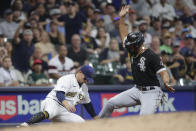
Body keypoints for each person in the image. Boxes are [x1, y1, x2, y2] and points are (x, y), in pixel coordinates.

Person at [98, 5, 175, 117]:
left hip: (152, 92)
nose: (128, 47)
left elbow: (163, 72)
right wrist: (122, 18)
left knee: (143, 118)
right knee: (110, 103)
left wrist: (166, 82)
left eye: (131, 45)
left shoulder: (151, 56)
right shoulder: (133, 49)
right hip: (137, 89)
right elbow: (123, 34)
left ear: (138, 45)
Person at [18, 65, 97, 127]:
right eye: (85, 78)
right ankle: (26, 124)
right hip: (53, 102)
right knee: (50, 112)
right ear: (80, 72)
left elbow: (87, 104)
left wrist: (95, 117)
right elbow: (59, 93)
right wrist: (66, 104)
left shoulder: (84, 88)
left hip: (64, 111)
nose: (86, 80)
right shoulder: (67, 79)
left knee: (82, 123)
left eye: (88, 79)